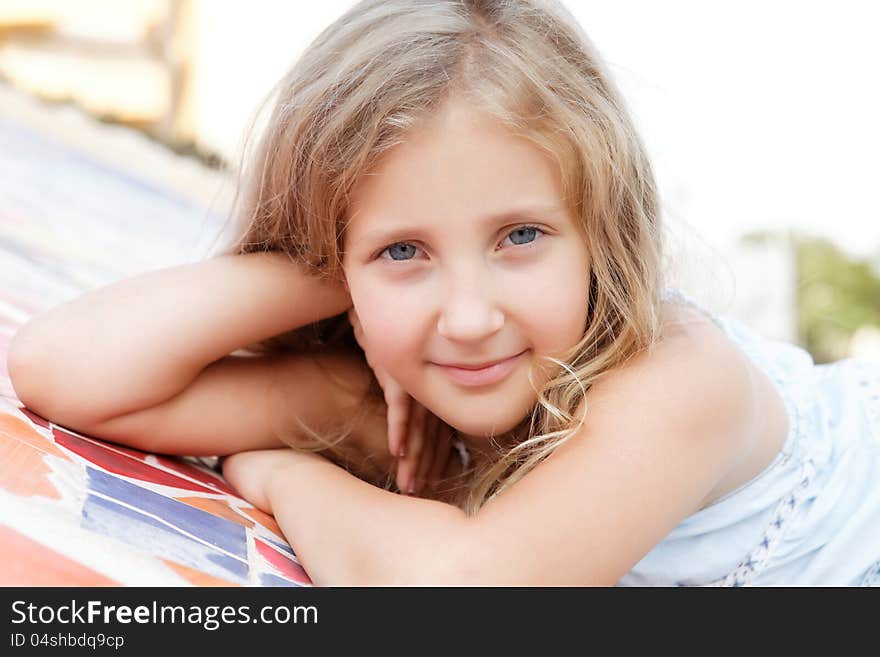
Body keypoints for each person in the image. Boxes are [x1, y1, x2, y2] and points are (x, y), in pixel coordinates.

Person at [7, 0, 880, 586]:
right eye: (404, 251)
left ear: (600, 234)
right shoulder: (395, 389)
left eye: (522, 236)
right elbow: (64, 368)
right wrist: (329, 255)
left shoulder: (680, 381)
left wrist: (281, 471)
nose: (468, 317)